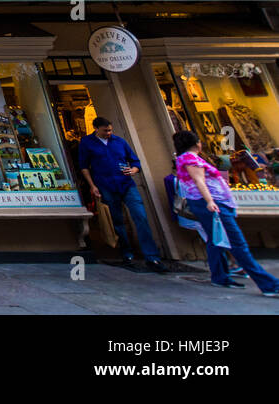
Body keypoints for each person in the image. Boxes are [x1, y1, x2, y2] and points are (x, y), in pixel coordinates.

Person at [173, 130, 279, 296]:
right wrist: (210, 201)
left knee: (215, 240)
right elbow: (199, 180)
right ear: (196, 143)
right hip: (212, 205)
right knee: (237, 243)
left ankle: (219, 276)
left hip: (211, 203)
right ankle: (269, 285)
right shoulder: (189, 158)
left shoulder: (188, 158)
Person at [78, 117, 168, 272]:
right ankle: (127, 253)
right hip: (105, 185)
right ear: (96, 128)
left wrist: (133, 170)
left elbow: (135, 162)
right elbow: (84, 166)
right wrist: (92, 186)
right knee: (117, 220)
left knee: (140, 217)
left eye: (110, 130)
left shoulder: (119, 142)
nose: (109, 133)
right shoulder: (87, 143)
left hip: (126, 184)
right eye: (105, 130)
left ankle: (152, 257)